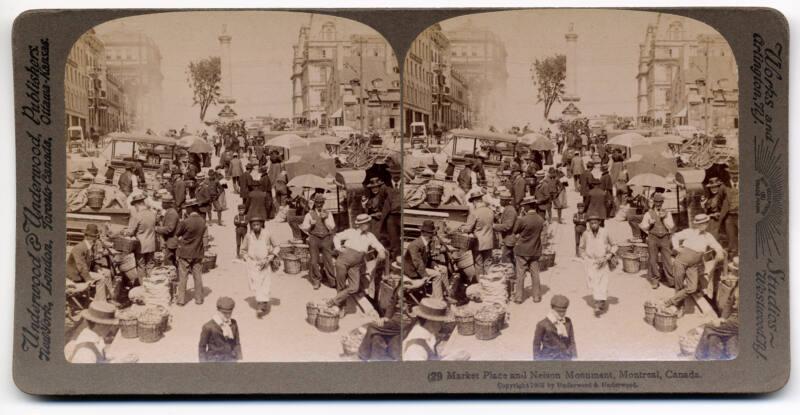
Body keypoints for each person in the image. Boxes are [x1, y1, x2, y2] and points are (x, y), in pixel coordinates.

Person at [663, 214, 726, 317]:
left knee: (692, 287)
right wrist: (676, 247)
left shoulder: (708, 236)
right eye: (701, 224)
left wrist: (719, 251)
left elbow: (716, 245)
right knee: (679, 287)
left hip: (694, 266)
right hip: (681, 262)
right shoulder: (689, 232)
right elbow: (675, 236)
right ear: (696, 224)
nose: (704, 225)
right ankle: (678, 308)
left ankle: (669, 302)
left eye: (705, 223)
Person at [329, 214, 387, 317]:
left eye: (368, 223)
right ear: (360, 224)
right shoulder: (351, 232)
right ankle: (341, 307)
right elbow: (336, 237)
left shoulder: (370, 236)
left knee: (354, 287)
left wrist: (381, 251)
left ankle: (333, 301)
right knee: (341, 286)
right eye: (366, 223)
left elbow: (378, 245)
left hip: (356, 265)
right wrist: (338, 248)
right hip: (343, 260)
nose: (368, 225)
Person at [403, 298, 467, 361]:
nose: (442, 324)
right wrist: (452, 359)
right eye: (440, 321)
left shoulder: (426, 334)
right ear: (431, 321)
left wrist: (451, 356)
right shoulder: (416, 347)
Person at [241, 216, 280, 318]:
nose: (256, 226)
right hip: (253, 263)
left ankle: (261, 304)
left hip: (265, 262)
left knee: (265, 283)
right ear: (251, 226)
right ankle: (263, 301)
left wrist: (270, 257)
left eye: (258, 224)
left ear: (261, 224)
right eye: (254, 225)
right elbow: (243, 250)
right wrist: (247, 258)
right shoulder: (248, 236)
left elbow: (277, 246)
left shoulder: (268, 234)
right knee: (256, 283)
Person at [579, 215, 617, 316]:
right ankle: (601, 300)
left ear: (599, 222)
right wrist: (584, 257)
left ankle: (598, 303)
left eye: (595, 223)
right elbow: (581, 247)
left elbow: (614, 245)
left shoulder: (605, 232)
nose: (593, 225)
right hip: (590, 262)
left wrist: (608, 256)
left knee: (603, 282)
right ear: (589, 224)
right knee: (593, 282)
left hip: (603, 261)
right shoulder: (585, 234)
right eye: (591, 223)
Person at [403, 220, 448, 302]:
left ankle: (445, 294)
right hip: (412, 271)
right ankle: (438, 301)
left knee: (443, 269)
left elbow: (429, 259)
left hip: (421, 267)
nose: (433, 236)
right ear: (425, 234)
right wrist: (425, 276)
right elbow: (418, 263)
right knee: (437, 275)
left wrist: (435, 266)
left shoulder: (427, 243)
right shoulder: (415, 245)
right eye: (431, 233)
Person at [66, 224, 112, 302]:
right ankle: (101, 303)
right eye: (93, 237)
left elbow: (92, 262)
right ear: (87, 237)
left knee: (107, 272)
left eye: (95, 237)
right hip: (75, 274)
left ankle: (109, 297)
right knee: (101, 278)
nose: (95, 240)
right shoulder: (79, 248)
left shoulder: (91, 247)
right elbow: (81, 266)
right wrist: (88, 279)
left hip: (83, 271)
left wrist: (98, 269)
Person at [174, 200, 208, 306]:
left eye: (186, 208)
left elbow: (177, 234)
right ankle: (199, 299)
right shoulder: (202, 221)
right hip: (197, 252)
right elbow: (205, 238)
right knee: (197, 276)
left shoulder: (186, 222)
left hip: (185, 252)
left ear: (190, 209)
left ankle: (181, 300)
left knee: (183, 276)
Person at [300, 194, 337, 289]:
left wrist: (325, 220)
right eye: (317, 202)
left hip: (326, 238)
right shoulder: (309, 214)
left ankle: (332, 281)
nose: (319, 205)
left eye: (321, 203)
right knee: (313, 261)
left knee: (328, 260)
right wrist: (310, 226)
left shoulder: (328, 213)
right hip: (314, 238)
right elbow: (304, 228)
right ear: (314, 203)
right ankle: (316, 280)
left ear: (323, 203)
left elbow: (332, 227)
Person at [639, 193, 676, 289]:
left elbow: (671, 227)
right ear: (653, 202)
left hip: (664, 238)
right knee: (652, 259)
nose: (658, 204)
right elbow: (643, 227)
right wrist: (649, 225)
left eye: (660, 202)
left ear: (662, 202)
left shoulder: (667, 213)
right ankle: (655, 280)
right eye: (656, 202)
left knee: (667, 259)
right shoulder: (648, 213)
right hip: (653, 238)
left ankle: (671, 281)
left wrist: (664, 219)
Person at [512, 200, 545, 303]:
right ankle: (536, 296)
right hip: (535, 250)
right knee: (535, 274)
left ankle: (518, 297)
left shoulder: (523, 219)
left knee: (520, 274)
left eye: (524, 206)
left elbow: (514, 230)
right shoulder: (540, 219)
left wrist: (519, 217)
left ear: (526, 207)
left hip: (522, 250)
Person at [460, 189, 495, 277]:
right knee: (488, 264)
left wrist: (461, 228)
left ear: (475, 201)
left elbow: (468, 228)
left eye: (473, 202)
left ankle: (481, 285)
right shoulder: (490, 211)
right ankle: (489, 284)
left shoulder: (474, 213)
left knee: (479, 264)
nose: (473, 204)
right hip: (489, 242)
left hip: (478, 244)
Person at [532, 294, 577, 361]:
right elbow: (536, 345)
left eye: (564, 311)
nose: (562, 314)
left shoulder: (568, 322)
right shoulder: (542, 324)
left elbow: (571, 340)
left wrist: (574, 356)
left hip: (565, 358)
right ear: (552, 309)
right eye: (558, 311)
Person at [198, 296, 242, 362]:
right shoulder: (208, 326)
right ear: (218, 311)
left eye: (229, 313)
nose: (227, 316)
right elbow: (202, 347)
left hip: (230, 359)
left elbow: (236, 342)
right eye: (224, 313)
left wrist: (239, 358)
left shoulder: (233, 323)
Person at [126, 193, 157, 269]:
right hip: (151, 245)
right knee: (150, 266)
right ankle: (151, 280)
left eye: (135, 206)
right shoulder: (152, 214)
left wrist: (123, 232)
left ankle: (142, 281)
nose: (135, 208)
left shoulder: (137, 216)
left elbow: (130, 232)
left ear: (137, 204)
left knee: (141, 267)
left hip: (141, 247)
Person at [493, 192, 518, 266]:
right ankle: (515, 274)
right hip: (508, 238)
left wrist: (494, 226)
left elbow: (508, 226)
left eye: (501, 200)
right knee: (511, 259)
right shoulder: (507, 209)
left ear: (506, 201)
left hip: (509, 239)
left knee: (505, 261)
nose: (500, 201)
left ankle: (511, 275)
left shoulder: (510, 210)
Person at [155, 194, 180, 269]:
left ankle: (173, 277)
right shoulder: (169, 212)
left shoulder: (172, 213)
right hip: (170, 241)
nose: (162, 204)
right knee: (171, 260)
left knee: (168, 262)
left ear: (168, 204)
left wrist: (157, 229)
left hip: (171, 241)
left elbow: (170, 229)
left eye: (163, 203)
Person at [719, 179, 739, 256]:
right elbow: (720, 201)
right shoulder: (723, 187)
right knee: (731, 239)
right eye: (732, 173)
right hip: (729, 217)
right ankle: (733, 258)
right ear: (729, 173)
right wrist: (725, 210)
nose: (734, 175)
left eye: (736, 173)